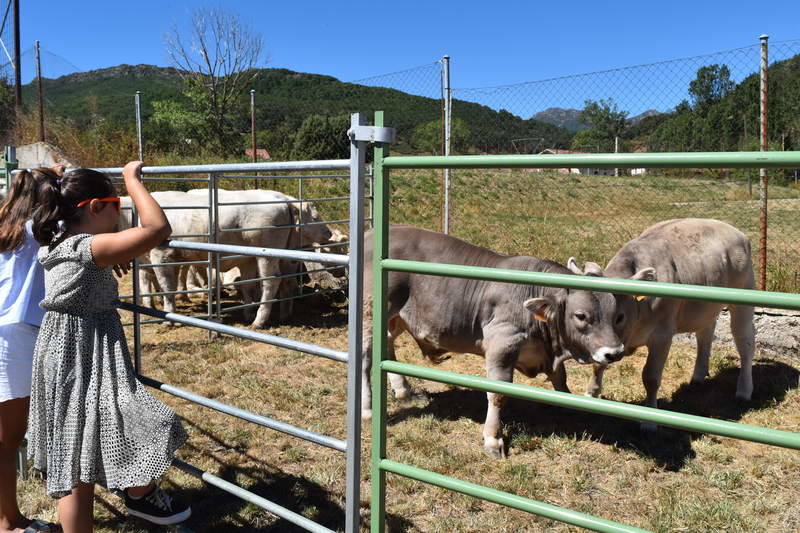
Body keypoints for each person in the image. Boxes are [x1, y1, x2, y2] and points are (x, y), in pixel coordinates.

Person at [26, 161, 191, 533]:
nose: (122, 215)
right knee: (143, 418)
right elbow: (157, 228)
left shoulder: (59, 240)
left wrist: (110, 249)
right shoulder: (89, 247)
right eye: (118, 205)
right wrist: (132, 180)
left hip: (64, 349)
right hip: (83, 349)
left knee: (73, 454)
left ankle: (134, 491)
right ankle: (139, 492)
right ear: (96, 207)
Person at [0, 167, 64, 533]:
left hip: (6, 332)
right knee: (7, 439)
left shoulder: (6, 227)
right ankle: (8, 522)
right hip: (18, 336)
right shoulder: (41, 230)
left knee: (7, 437)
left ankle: (9, 518)